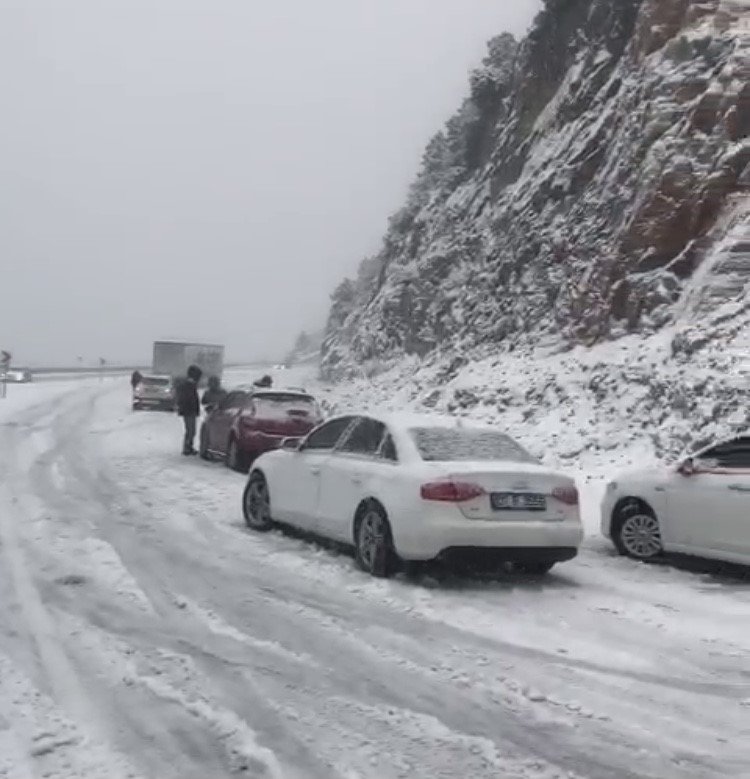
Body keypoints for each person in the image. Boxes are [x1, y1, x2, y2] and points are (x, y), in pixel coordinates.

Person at [176, 364, 202, 455]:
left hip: (189, 410)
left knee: (191, 430)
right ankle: (187, 448)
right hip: (189, 411)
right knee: (191, 430)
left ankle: (188, 447)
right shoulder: (188, 385)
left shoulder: (188, 385)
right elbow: (190, 399)